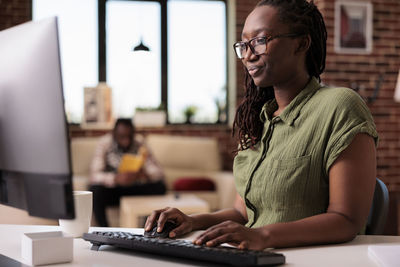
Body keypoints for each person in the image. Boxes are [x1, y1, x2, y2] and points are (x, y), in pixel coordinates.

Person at [145, 0, 378, 250]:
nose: (248, 54)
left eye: (259, 40)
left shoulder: (340, 106)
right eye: (244, 44)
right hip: (254, 256)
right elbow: (244, 213)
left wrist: (263, 236)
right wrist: (192, 221)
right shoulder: (258, 121)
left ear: (301, 43)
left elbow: (346, 220)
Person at [89, 118, 166, 227]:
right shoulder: (104, 143)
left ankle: (146, 226)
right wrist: (116, 178)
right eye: (122, 137)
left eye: (129, 137)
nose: (127, 141)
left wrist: (142, 174)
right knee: (95, 190)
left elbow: (158, 173)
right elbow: (94, 176)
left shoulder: (140, 143)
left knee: (160, 186)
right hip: (114, 189)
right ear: (114, 134)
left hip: (134, 187)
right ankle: (105, 230)